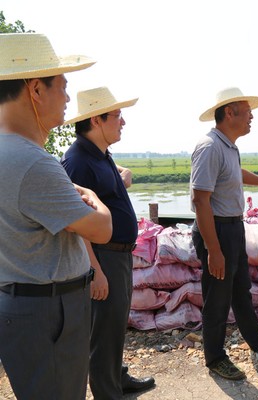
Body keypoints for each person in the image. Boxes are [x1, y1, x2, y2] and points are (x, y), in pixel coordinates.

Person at [0, 33, 113, 399]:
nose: (67, 98)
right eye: (62, 86)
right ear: (35, 89)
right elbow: (101, 229)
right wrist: (95, 199)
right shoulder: (32, 162)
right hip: (49, 310)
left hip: (25, 302)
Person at [61, 87, 156, 398]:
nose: (123, 122)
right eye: (116, 116)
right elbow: (77, 224)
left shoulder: (100, 155)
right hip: (102, 257)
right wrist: (95, 271)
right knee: (102, 332)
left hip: (118, 255)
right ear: (95, 120)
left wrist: (122, 177)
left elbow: (107, 189)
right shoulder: (77, 161)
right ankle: (107, 392)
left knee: (115, 325)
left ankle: (118, 378)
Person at [191, 87, 258, 380]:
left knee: (240, 289)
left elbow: (238, 173)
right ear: (229, 113)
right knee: (217, 297)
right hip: (215, 230)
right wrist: (214, 250)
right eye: (247, 111)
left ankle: (256, 337)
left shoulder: (228, 146)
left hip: (232, 227)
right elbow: (200, 200)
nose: (252, 116)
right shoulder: (209, 147)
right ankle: (215, 358)